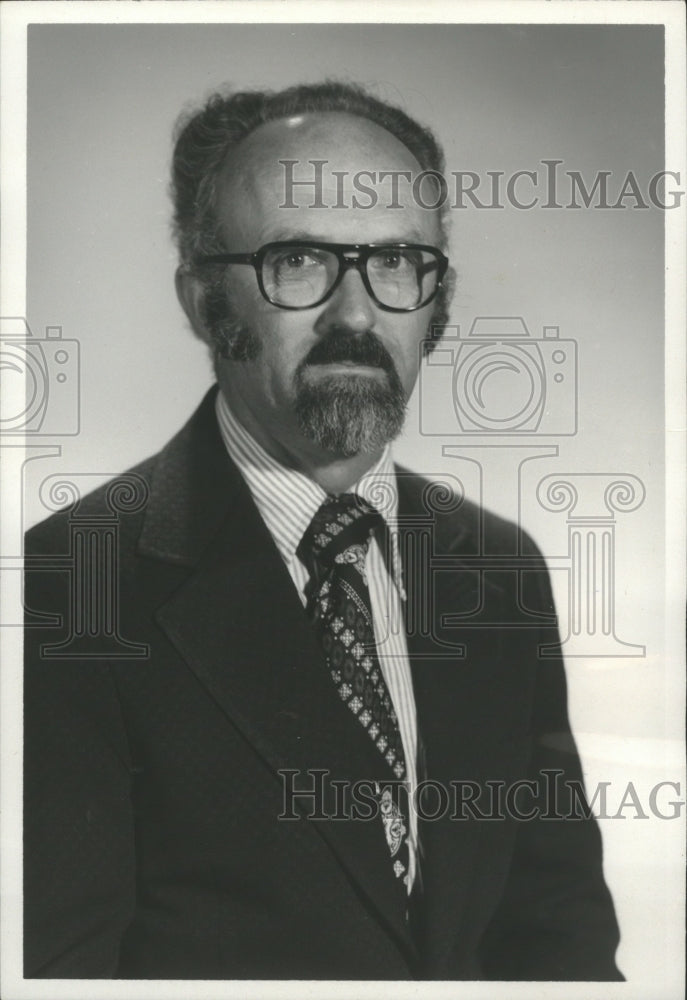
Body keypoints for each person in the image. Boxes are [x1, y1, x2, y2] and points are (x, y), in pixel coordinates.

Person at [23, 81, 623, 981]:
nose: (356, 316)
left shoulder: (498, 567)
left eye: (395, 262)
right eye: (298, 262)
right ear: (199, 300)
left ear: (437, 299)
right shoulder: (68, 584)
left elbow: (557, 930)